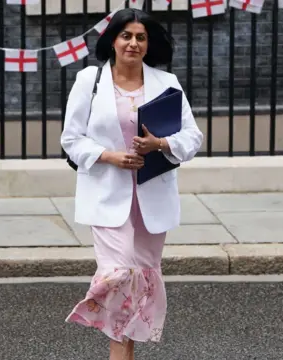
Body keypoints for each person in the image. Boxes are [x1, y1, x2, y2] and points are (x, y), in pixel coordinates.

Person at [60, 7, 203, 360]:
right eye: (126, 36)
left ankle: (122, 354)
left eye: (140, 37)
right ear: (112, 40)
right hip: (108, 195)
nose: (133, 43)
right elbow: (71, 139)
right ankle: (103, 326)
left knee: (141, 279)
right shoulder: (89, 81)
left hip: (152, 198)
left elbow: (193, 137)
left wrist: (160, 144)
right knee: (120, 274)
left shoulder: (166, 83)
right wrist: (111, 156)